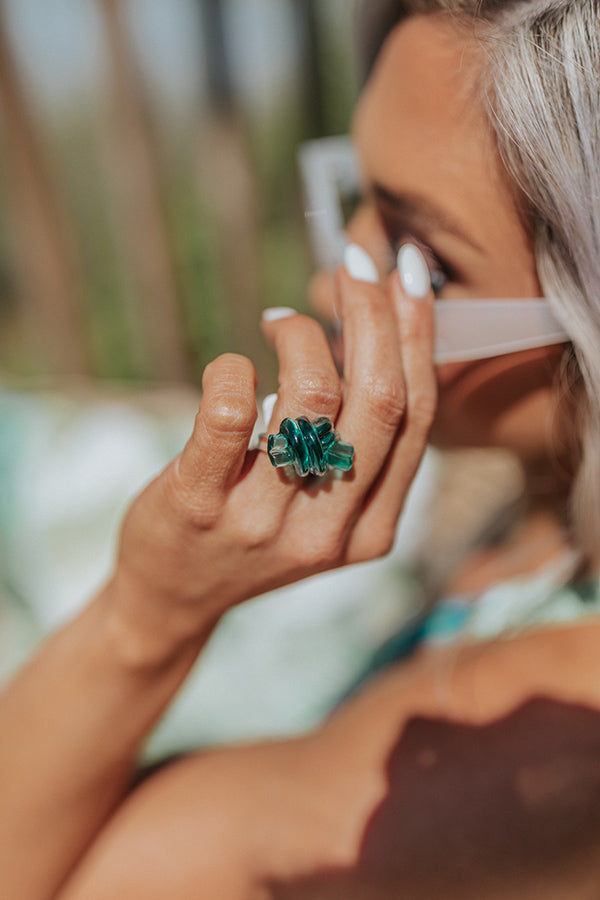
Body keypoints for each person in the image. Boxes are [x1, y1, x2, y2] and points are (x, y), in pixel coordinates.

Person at [3, 0, 600, 897]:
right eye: (355, 192)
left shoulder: (532, 741)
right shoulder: (544, 493)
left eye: (421, 264)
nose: (332, 277)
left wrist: (148, 614)